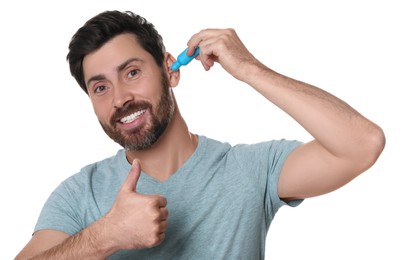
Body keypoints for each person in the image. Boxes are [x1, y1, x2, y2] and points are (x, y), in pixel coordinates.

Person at [15, 10, 385, 259]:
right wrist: (107, 235)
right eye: (100, 88)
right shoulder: (81, 192)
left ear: (170, 70)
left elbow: (361, 145)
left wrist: (249, 69)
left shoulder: (249, 170)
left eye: (131, 73)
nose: (120, 99)